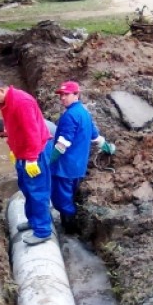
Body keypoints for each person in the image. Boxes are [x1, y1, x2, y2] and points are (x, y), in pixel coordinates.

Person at [0, 78, 53, 246]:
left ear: (2, 90)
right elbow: (14, 129)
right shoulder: (6, 103)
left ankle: (43, 231)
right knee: (27, 190)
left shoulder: (21, 102)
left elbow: (32, 132)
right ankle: (34, 221)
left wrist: (31, 159)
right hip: (22, 153)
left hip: (34, 154)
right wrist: (14, 150)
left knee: (38, 192)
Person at [50, 81, 116, 234]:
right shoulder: (84, 112)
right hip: (78, 167)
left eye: (66, 95)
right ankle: (71, 229)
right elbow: (95, 137)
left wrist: (48, 162)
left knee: (62, 201)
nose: (62, 98)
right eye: (61, 95)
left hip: (64, 168)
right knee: (69, 197)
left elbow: (62, 144)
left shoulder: (69, 116)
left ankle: (69, 231)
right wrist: (108, 148)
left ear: (76, 95)